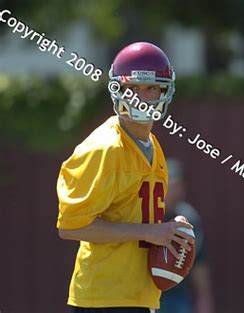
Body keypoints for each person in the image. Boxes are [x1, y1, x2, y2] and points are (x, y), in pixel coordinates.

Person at [56, 42, 195, 313]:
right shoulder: (104, 148)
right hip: (104, 297)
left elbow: (136, 216)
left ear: (165, 91)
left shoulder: (152, 145)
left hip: (137, 296)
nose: (141, 97)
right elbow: (70, 227)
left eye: (151, 87)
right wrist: (150, 232)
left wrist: (168, 231)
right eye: (133, 89)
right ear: (118, 90)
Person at [157, 159, 215, 313]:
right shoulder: (148, 216)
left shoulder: (188, 217)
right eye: (172, 185)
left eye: (179, 185)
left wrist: (204, 299)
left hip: (178, 295)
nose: (176, 190)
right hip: (148, 294)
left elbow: (198, 261)